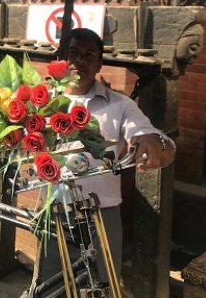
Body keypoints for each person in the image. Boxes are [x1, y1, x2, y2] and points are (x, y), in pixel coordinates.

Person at [35, 27, 176, 296]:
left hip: (101, 216)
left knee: (101, 286)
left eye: (90, 54)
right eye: (73, 52)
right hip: (53, 212)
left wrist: (152, 142)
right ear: (61, 56)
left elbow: (146, 133)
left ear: (100, 62)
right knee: (49, 287)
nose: (81, 60)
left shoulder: (121, 105)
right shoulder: (41, 103)